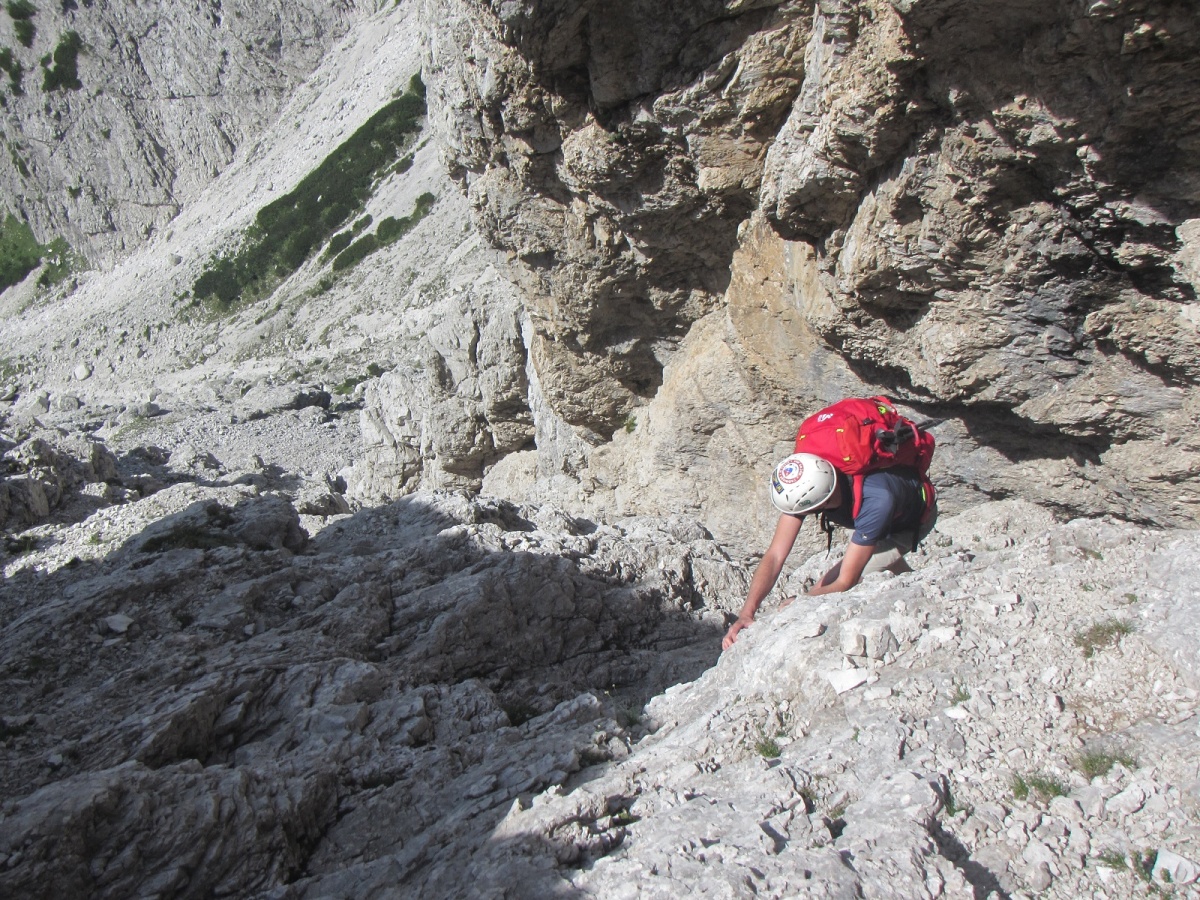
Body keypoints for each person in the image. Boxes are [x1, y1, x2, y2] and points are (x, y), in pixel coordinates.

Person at [721, 452, 935, 650]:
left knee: (844, 580)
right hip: (881, 512)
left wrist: (801, 602)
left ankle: (927, 598)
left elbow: (845, 581)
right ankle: (914, 583)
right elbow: (776, 555)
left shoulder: (877, 501)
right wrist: (746, 613)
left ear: (821, 502)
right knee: (836, 583)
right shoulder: (809, 477)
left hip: (907, 523)